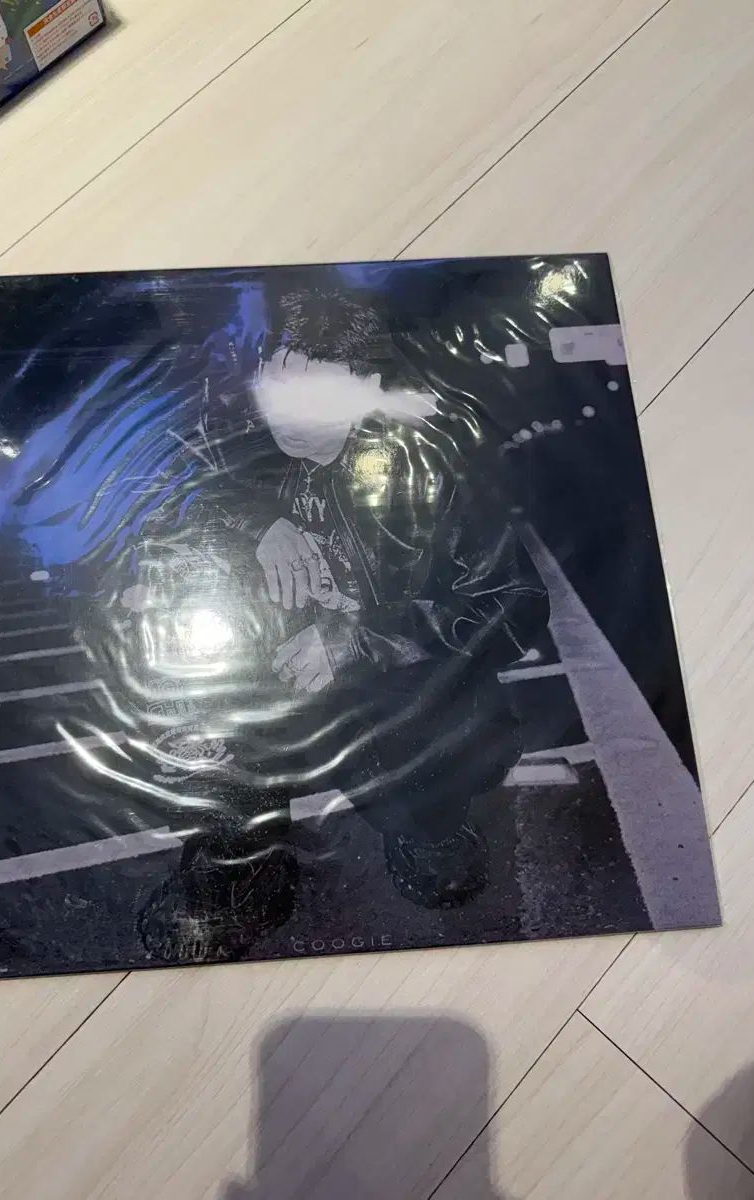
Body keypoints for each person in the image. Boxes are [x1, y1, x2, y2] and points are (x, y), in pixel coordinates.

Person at [117, 285, 550, 964]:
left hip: (393, 689)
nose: (287, 416)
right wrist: (256, 524)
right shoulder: (250, 449)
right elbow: (178, 504)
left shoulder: (433, 470)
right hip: (274, 674)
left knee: (423, 767)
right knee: (188, 712)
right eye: (276, 390)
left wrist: (359, 641)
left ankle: (431, 827)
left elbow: (515, 603)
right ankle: (243, 868)